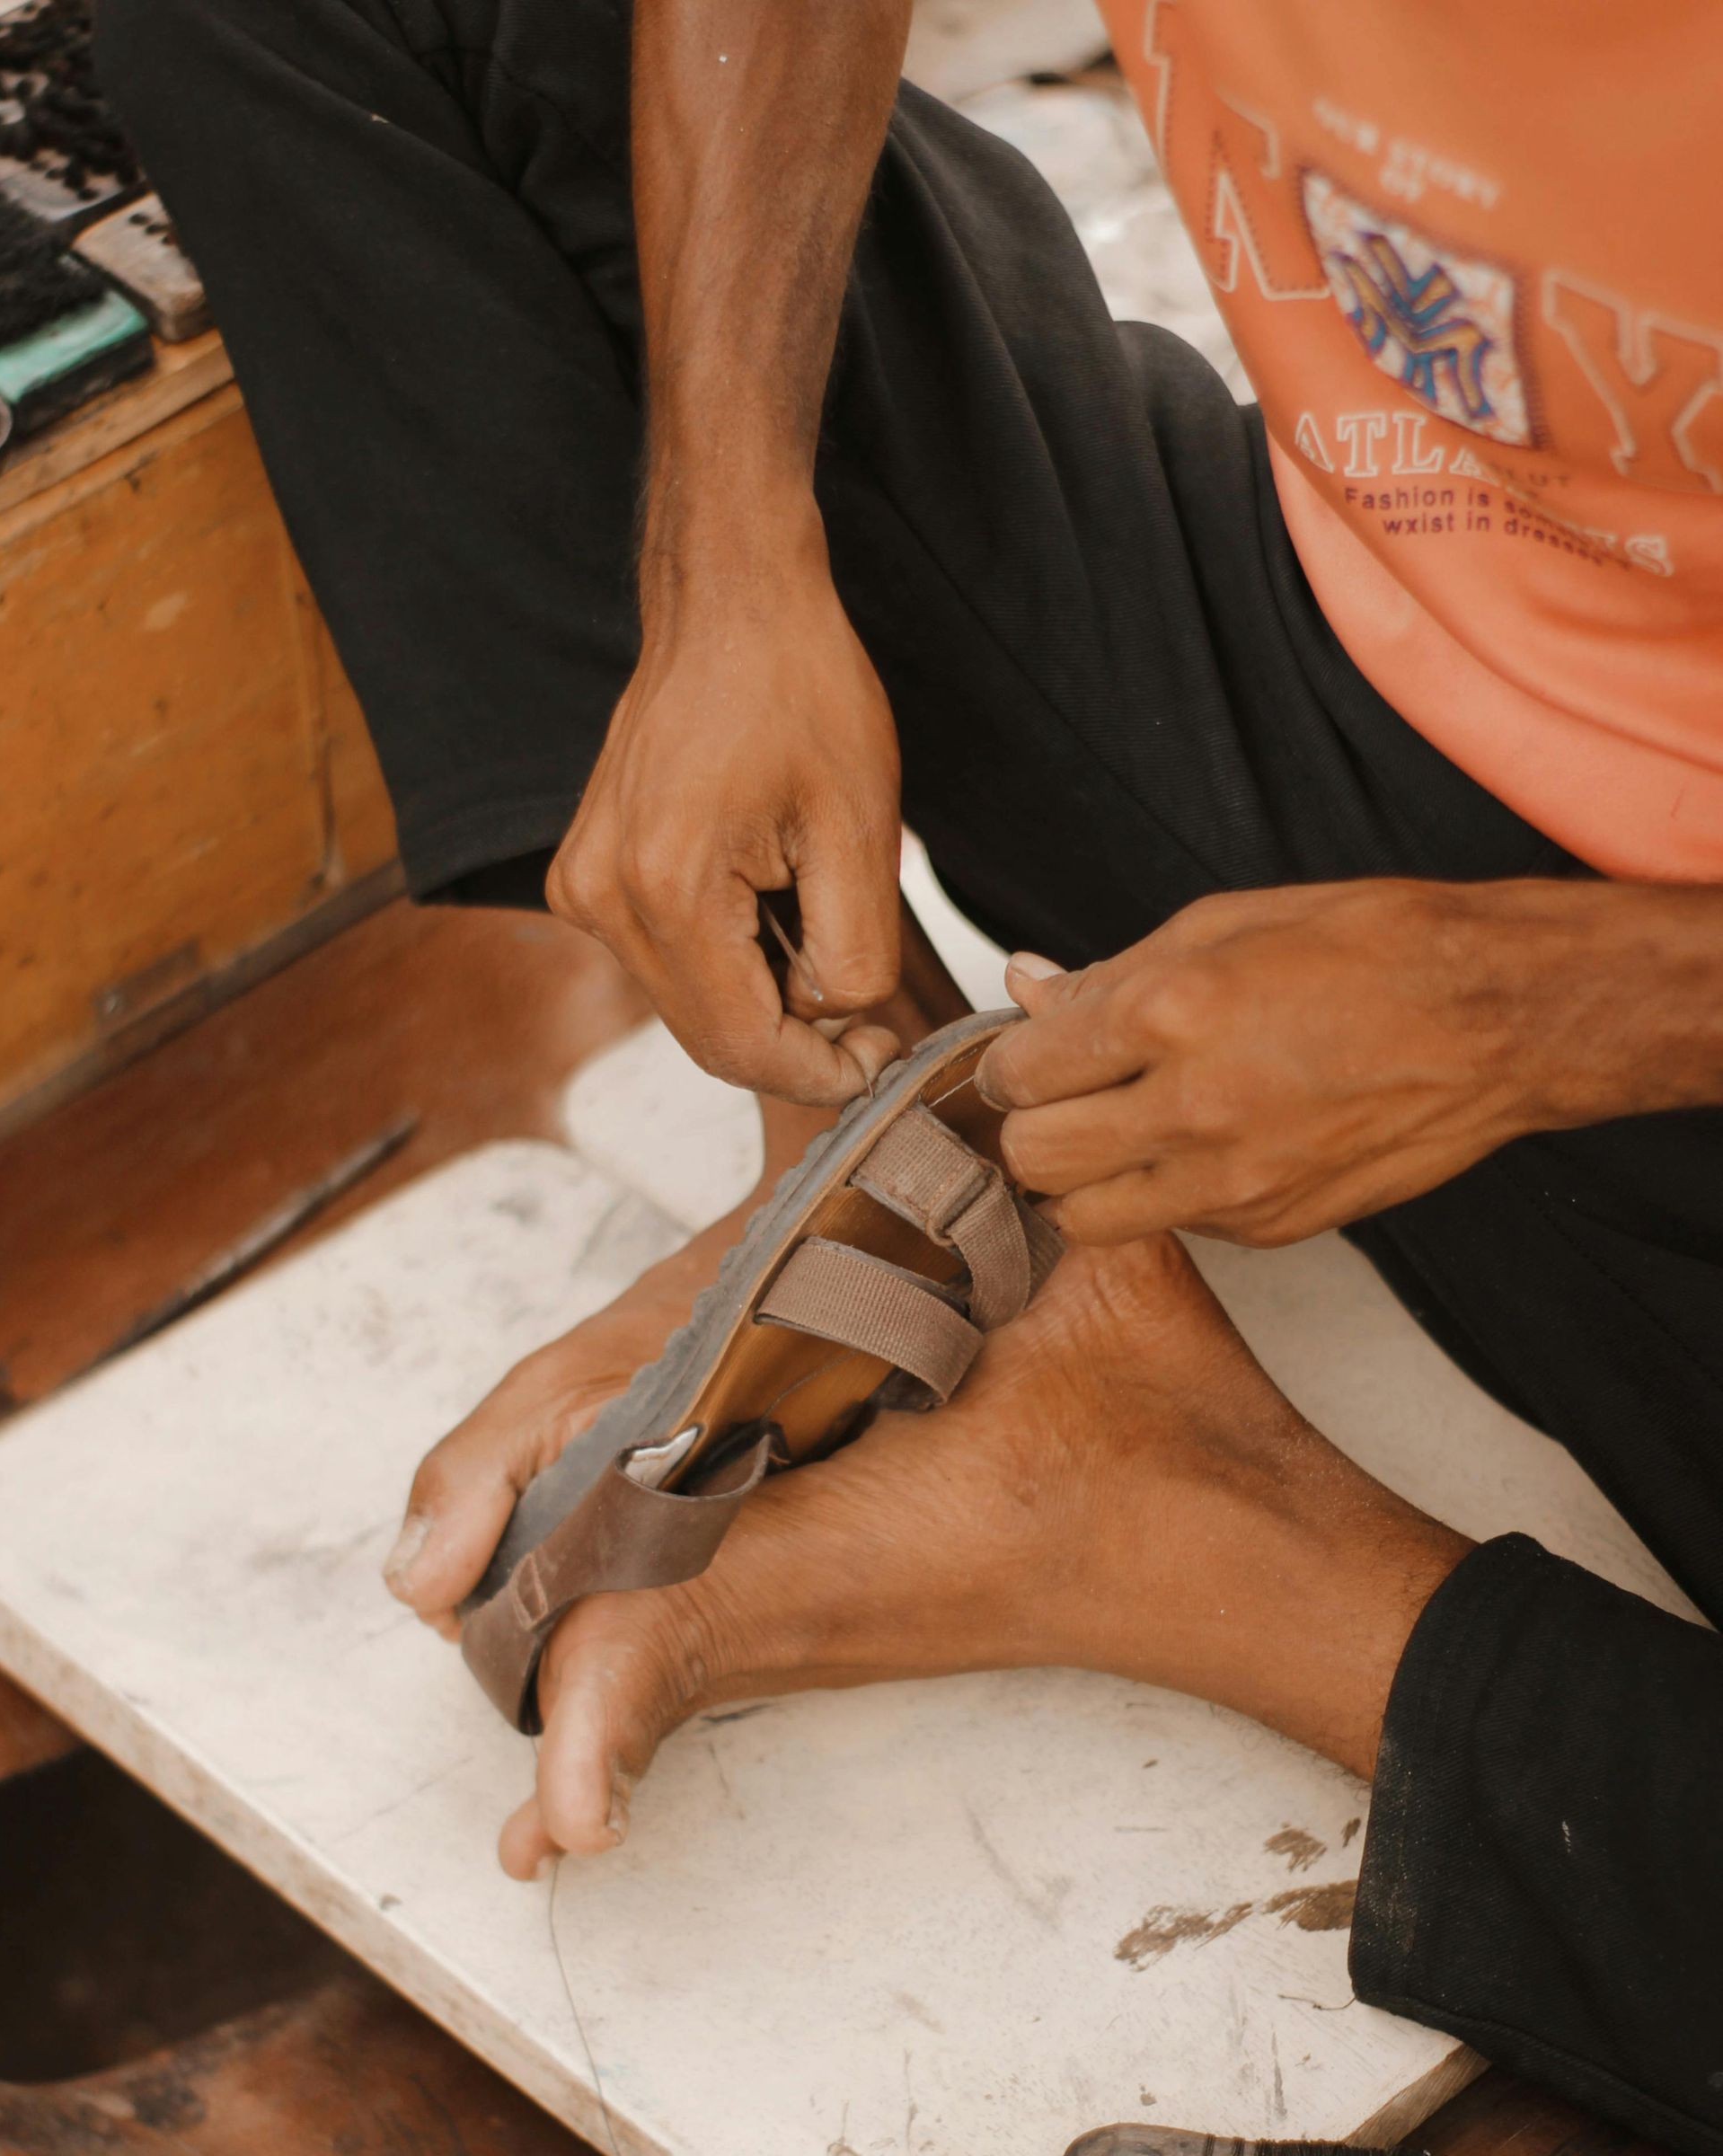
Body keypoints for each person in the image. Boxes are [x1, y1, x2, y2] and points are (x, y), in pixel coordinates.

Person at [97, 1, 1723, 2150]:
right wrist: (729, 549)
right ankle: (963, 1238)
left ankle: (1209, 1541)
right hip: (1409, 693)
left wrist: (1549, 1004)